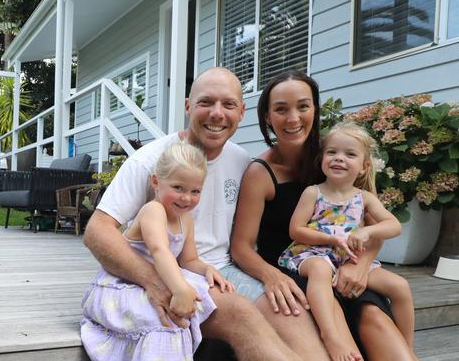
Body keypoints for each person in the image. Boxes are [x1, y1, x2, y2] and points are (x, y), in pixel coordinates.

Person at [84, 67, 302, 360]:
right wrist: (155, 282)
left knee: (291, 311)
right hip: (172, 276)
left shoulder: (241, 161)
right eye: (205, 102)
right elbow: (98, 231)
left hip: (217, 272)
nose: (217, 114)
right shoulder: (152, 161)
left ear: (241, 111)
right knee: (240, 313)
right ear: (188, 106)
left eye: (228, 104)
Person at [230, 69, 418, 360]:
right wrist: (272, 278)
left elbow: (370, 224)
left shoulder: (336, 156)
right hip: (299, 270)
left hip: (347, 264)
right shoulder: (260, 173)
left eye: (303, 106)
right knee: (341, 340)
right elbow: (241, 247)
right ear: (267, 116)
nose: (293, 119)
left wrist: (360, 266)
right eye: (281, 109)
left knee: (377, 321)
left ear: (315, 109)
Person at [81, 142, 235, 360]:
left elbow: (189, 259)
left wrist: (206, 268)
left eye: (195, 191)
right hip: (124, 284)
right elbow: (160, 251)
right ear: (156, 182)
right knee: (163, 318)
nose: (186, 198)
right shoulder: (153, 210)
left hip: (158, 279)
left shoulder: (186, 219)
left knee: (187, 309)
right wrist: (180, 289)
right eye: (178, 188)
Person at [278, 122, 415, 361]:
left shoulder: (364, 198)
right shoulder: (314, 192)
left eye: (350, 154)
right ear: (322, 159)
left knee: (399, 286)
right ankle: (329, 334)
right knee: (320, 269)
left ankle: (408, 348)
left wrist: (367, 233)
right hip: (312, 253)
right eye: (332, 152)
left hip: (347, 260)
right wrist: (330, 238)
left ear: (364, 167)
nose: (339, 158)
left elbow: (393, 225)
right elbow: (296, 230)